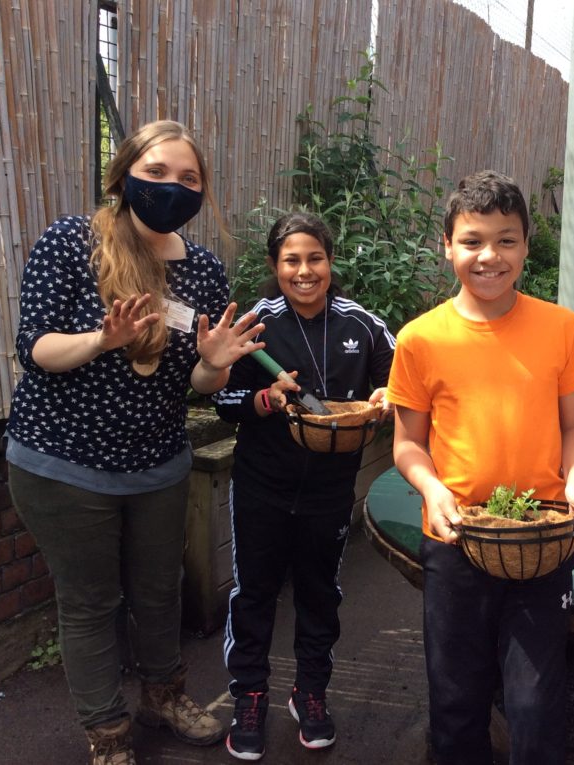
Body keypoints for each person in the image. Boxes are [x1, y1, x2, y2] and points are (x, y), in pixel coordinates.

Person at [5, 120, 265, 765]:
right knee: (92, 601)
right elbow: (35, 349)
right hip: (63, 466)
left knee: (159, 591)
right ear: (123, 175)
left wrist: (215, 360)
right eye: (156, 174)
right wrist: (102, 340)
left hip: (156, 465)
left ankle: (164, 695)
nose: (171, 188)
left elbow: (199, 384)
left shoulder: (203, 270)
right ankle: (107, 733)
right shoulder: (73, 243)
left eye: (189, 179)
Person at [386, 170, 574, 765]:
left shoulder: (560, 328)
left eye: (506, 240)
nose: (490, 256)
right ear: (447, 246)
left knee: (535, 702)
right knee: (455, 699)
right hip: (454, 539)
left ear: (527, 245)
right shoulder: (420, 339)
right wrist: (430, 488)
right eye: (473, 240)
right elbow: (408, 444)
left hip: (542, 537)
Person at [214, 211, 395, 760]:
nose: (304, 271)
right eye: (291, 260)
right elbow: (222, 403)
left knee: (321, 592)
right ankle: (248, 696)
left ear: (330, 261)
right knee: (254, 594)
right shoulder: (256, 326)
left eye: (314, 258)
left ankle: (310, 692)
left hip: (330, 490)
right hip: (261, 487)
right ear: (275, 265)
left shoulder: (361, 324)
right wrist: (263, 401)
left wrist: (386, 399)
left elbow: (399, 380)